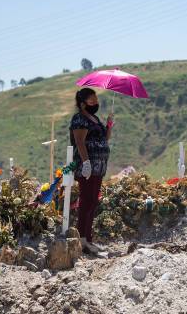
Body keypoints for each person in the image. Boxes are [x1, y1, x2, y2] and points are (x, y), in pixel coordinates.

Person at [69, 88, 114, 254]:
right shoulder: (79, 119)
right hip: (87, 166)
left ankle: (88, 238)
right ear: (82, 104)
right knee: (86, 201)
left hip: (99, 166)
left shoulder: (94, 119)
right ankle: (81, 239)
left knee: (93, 201)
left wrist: (109, 125)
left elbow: (104, 139)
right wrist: (86, 162)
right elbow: (80, 142)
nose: (95, 103)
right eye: (92, 100)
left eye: (96, 100)